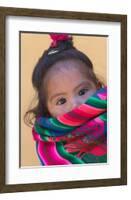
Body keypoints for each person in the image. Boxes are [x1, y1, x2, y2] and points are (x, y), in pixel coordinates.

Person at [24, 33, 107, 165]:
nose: (75, 105)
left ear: (98, 87)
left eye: (82, 91)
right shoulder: (49, 145)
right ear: (47, 109)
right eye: (61, 101)